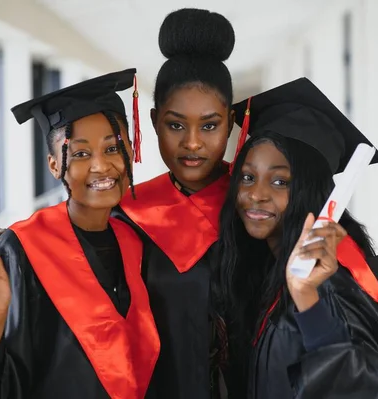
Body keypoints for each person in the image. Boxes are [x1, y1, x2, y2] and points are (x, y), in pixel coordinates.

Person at [0, 69, 160, 399]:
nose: (101, 166)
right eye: (82, 153)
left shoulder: (135, 241)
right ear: (54, 164)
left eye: (113, 148)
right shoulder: (18, 251)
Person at [216, 78, 378, 398]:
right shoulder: (269, 270)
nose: (255, 194)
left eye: (280, 181)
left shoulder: (331, 283)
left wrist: (308, 300)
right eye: (248, 176)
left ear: (311, 191)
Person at [113, 8, 236, 399]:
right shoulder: (129, 215)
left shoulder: (258, 206)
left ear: (232, 122)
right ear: (153, 121)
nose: (193, 143)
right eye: (176, 124)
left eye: (210, 125)